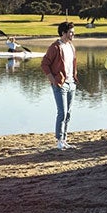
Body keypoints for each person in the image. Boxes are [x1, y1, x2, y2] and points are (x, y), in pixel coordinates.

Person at [40, 21, 78, 150]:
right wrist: (53, 80)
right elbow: (44, 64)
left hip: (71, 83)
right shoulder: (55, 47)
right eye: (71, 32)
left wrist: (74, 77)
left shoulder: (71, 46)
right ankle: (59, 140)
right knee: (62, 112)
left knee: (68, 113)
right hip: (60, 84)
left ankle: (65, 139)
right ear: (63, 33)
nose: (73, 34)